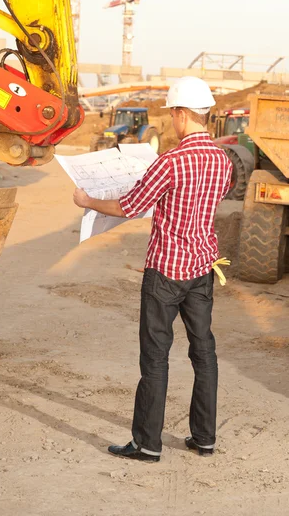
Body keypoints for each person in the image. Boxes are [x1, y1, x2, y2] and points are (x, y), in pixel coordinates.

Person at [73, 76, 233, 463]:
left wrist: (88, 200)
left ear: (180, 114)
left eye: (173, 113)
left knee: (156, 358)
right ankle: (204, 438)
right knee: (204, 352)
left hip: (165, 272)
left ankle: (147, 444)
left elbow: (129, 207)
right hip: (202, 268)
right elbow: (211, 198)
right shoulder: (223, 160)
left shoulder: (171, 161)